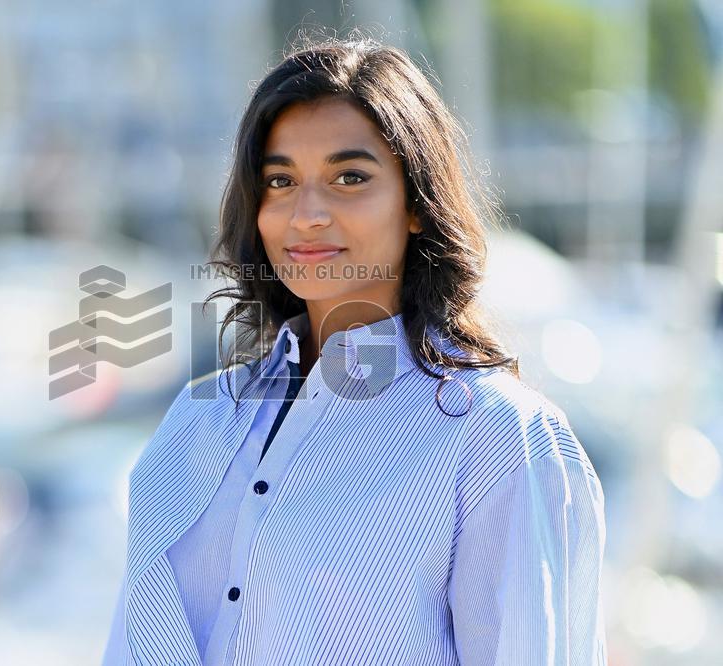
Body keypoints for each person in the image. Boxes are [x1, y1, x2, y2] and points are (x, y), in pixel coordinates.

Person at [101, 35, 606, 665]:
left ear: (416, 204)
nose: (307, 213)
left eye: (349, 177)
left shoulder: (497, 437)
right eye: (279, 181)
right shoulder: (197, 418)